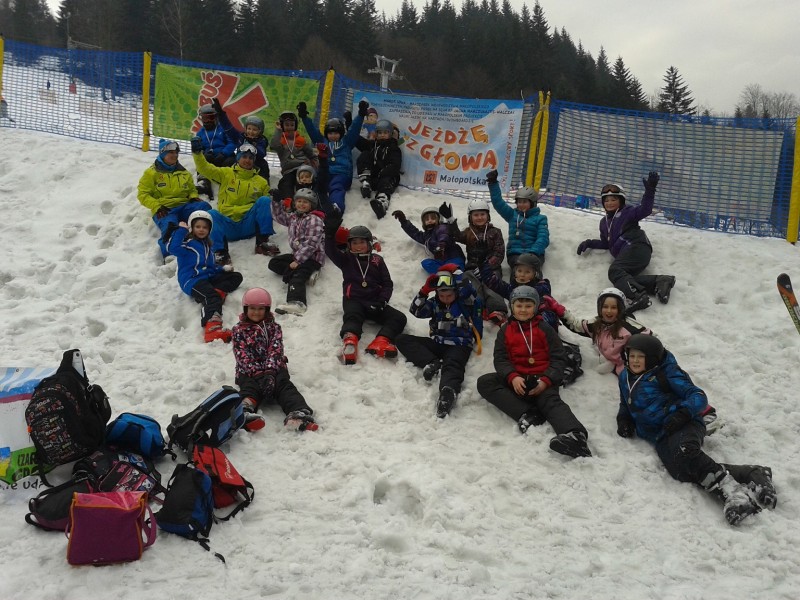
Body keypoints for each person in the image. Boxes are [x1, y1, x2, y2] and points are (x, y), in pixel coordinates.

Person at [616, 334, 776, 525]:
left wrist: (682, 414)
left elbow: (698, 396)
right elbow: (625, 403)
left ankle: (734, 494)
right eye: (632, 355)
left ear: (651, 358)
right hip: (660, 433)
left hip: (685, 423)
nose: (635, 360)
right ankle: (752, 474)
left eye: (640, 357)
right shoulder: (625, 376)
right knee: (681, 471)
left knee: (685, 452)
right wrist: (623, 419)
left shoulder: (666, 373)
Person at [548, 287, 718, 431]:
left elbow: (654, 343)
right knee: (643, 398)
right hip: (624, 368)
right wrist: (557, 308)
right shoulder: (596, 324)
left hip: (644, 366)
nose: (609, 311)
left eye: (614, 307)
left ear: (620, 309)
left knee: (665, 388)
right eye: (605, 307)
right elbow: (576, 325)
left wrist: (660, 365)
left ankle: (704, 412)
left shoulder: (629, 327)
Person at [476, 286, 592, 458]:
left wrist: (546, 380)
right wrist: (512, 377)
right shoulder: (505, 330)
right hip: (518, 380)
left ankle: (575, 436)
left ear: (536, 307)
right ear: (512, 307)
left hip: (542, 380)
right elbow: (501, 359)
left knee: (551, 402)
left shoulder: (545, 329)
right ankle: (528, 414)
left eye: (528, 306)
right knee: (485, 382)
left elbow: (558, 358)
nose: (523, 310)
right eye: (519, 305)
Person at [576, 173, 676, 313]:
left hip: (636, 247)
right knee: (624, 279)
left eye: (614, 199)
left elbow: (645, 209)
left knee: (615, 271)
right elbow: (606, 243)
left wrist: (650, 190)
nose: (610, 203)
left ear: (621, 201)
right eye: (606, 200)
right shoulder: (604, 223)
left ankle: (637, 296)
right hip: (629, 253)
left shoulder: (627, 212)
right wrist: (590, 243)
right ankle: (659, 282)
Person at [395, 266, 483, 418]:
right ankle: (432, 362)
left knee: (453, 365)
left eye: (449, 295)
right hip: (437, 343)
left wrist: (456, 271)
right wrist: (424, 291)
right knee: (402, 339)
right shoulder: (435, 303)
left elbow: (469, 289)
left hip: (459, 345)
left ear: (456, 292)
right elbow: (415, 311)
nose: (445, 298)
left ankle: (448, 392)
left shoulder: (465, 301)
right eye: (442, 295)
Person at [231, 288, 318, 432]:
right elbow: (242, 355)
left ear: (267, 309)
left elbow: (276, 349)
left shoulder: (274, 328)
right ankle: (244, 411)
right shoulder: (238, 330)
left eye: (261, 309)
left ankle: (297, 413)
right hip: (248, 371)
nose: (256, 312)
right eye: (252, 308)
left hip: (274, 368)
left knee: (284, 385)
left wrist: (270, 372)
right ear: (246, 309)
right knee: (250, 388)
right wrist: (257, 373)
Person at [324, 221, 407, 365]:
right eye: (354, 243)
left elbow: (387, 283)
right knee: (353, 316)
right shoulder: (346, 259)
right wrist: (330, 236)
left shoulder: (377, 260)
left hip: (374, 301)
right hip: (354, 300)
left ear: (369, 243)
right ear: (349, 245)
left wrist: (382, 301)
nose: (358, 246)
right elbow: (330, 251)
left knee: (398, 318)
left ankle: (381, 341)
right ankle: (350, 342)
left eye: (362, 242)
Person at [190, 138, 277, 264]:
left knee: (264, 200)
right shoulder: (226, 173)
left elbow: (267, 206)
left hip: (248, 225)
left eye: (250, 158)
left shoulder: (261, 181)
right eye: (244, 156)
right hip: (228, 225)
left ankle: (263, 243)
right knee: (212, 214)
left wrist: (276, 197)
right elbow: (204, 168)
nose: (247, 160)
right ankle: (220, 252)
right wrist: (197, 153)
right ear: (238, 158)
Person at [166, 210, 243, 343]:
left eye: (205, 227)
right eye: (198, 226)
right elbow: (172, 248)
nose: (201, 230)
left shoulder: (207, 246)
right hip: (192, 281)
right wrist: (181, 230)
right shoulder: (187, 244)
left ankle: (214, 295)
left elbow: (210, 267)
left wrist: (222, 269)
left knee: (236, 277)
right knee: (211, 297)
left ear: (209, 229)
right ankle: (212, 329)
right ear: (192, 227)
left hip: (207, 278)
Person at [137, 139, 211, 257]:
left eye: (176, 152)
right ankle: (169, 254)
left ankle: (204, 241)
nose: (175, 155)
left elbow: (191, 189)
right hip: (165, 210)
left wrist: (193, 197)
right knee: (170, 227)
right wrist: (157, 207)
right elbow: (143, 194)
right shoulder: (151, 173)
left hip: (184, 206)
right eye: (171, 152)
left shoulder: (183, 172)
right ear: (162, 154)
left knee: (204, 209)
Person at [297, 99, 367, 214]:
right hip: (325, 173)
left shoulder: (347, 142)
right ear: (326, 134)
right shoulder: (322, 141)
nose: (333, 136)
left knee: (336, 186)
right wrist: (304, 116)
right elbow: (312, 130)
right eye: (330, 133)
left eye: (336, 133)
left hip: (342, 174)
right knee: (318, 186)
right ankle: (310, 206)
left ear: (341, 133)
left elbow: (354, 129)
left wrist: (361, 114)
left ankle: (336, 207)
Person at [448, 199, 508, 323]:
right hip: (472, 268)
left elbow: (499, 253)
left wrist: (486, 268)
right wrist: (451, 221)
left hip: (491, 268)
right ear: (470, 217)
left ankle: (497, 309)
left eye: (482, 214)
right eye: (476, 215)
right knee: (469, 284)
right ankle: (475, 306)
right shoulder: (469, 232)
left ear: (488, 216)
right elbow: (456, 236)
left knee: (492, 285)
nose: (479, 217)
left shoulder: (495, 232)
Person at [268, 188, 326, 315]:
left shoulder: (314, 219)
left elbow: (311, 244)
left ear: (311, 205)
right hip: (298, 255)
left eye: (305, 202)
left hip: (312, 257)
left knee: (297, 276)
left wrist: (297, 261)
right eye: (299, 201)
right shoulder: (294, 217)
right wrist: (276, 201)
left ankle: (297, 303)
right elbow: (279, 217)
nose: (301, 204)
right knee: (274, 263)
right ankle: (307, 274)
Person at [485, 169, 549, 274]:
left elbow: (543, 238)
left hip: (534, 254)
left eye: (524, 202)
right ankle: (514, 284)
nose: (521, 205)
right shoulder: (512, 215)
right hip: (515, 254)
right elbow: (498, 203)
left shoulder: (541, 219)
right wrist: (493, 183)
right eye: (519, 202)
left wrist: (533, 252)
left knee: (533, 272)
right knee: (518, 271)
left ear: (532, 203)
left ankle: (538, 283)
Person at [392, 206, 465, 274]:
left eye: (433, 218)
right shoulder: (426, 236)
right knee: (426, 263)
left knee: (457, 272)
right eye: (427, 219)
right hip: (441, 261)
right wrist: (403, 221)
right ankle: (443, 274)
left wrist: (440, 247)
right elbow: (415, 233)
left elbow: (443, 236)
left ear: (439, 219)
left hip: (454, 258)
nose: (430, 220)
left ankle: (457, 279)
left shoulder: (442, 227)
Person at [211, 98, 270, 181]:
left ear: (260, 131)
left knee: (264, 164)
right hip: (240, 161)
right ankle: (225, 180)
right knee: (228, 161)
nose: (251, 132)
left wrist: (253, 144)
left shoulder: (262, 140)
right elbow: (228, 127)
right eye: (249, 128)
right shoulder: (240, 137)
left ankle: (264, 185)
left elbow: (262, 153)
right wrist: (220, 114)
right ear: (245, 129)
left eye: (254, 130)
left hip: (254, 163)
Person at [356, 119, 403, 219]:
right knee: (365, 154)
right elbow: (358, 141)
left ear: (391, 134)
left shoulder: (394, 149)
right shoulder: (373, 145)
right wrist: (349, 124)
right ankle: (366, 183)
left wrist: (382, 172)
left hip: (386, 177)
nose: (382, 135)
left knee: (386, 181)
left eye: (385, 133)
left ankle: (382, 203)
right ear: (376, 134)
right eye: (380, 133)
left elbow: (395, 165)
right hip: (372, 177)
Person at [269, 110, 317, 203]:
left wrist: (313, 167)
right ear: (282, 125)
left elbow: (311, 155)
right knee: (286, 183)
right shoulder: (280, 141)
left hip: (302, 168)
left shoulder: (301, 140)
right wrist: (278, 130)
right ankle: (289, 202)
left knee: (304, 181)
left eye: (292, 125)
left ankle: (307, 201)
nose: (289, 127)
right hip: (289, 170)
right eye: (287, 125)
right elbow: (274, 145)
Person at [193, 103, 237, 199]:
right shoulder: (200, 132)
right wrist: (202, 152)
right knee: (204, 160)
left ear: (216, 117)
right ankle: (203, 183)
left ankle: (229, 184)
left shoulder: (224, 129)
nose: (207, 121)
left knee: (230, 162)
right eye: (205, 118)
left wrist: (223, 153)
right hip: (210, 158)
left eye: (211, 117)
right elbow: (200, 148)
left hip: (224, 156)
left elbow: (232, 143)